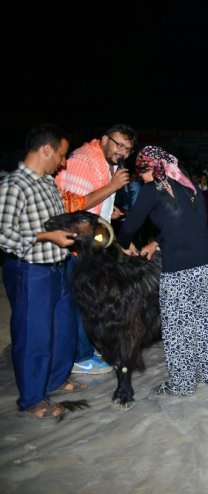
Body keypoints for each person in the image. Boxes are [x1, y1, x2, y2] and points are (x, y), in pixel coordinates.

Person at [117, 145, 208, 396]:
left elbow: (130, 227)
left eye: (142, 169)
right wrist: (157, 242)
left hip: (179, 272)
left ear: (151, 167)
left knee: (176, 329)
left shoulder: (152, 190)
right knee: (202, 322)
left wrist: (123, 242)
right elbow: (183, 223)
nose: (140, 175)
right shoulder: (188, 185)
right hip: (206, 266)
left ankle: (182, 384)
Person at [0, 124, 85, 419]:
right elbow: (3, 234)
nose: (62, 162)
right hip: (30, 270)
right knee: (34, 335)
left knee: (64, 330)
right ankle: (34, 398)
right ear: (45, 149)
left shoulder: (48, 182)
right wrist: (46, 237)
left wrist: (76, 227)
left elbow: (55, 222)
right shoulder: (14, 185)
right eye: (60, 155)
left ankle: (56, 379)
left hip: (58, 266)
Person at [54, 123, 136, 375]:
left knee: (91, 300)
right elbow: (73, 208)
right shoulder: (82, 160)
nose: (122, 152)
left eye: (128, 149)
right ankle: (81, 356)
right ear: (104, 139)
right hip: (75, 247)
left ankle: (86, 346)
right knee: (80, 302)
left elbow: (92, 203)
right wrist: (112, 187)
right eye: (118, 144)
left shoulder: (105, 163)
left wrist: (109, 210)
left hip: (91, 245)